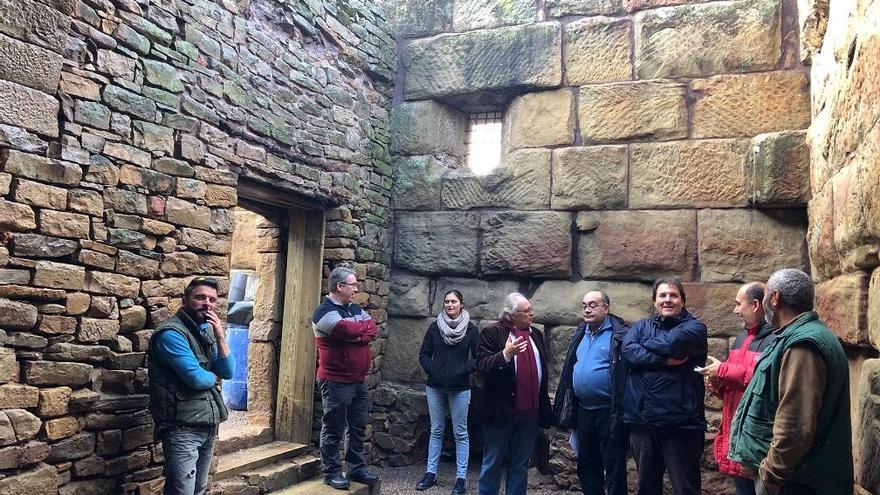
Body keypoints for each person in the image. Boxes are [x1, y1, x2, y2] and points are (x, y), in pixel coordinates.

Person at [728, 269, 853, 495]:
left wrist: (771, 477)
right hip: (795, 478)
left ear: (775, 298)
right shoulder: (792, 337)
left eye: (766, 295)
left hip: (799, 482)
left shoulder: (802, 345)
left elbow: (795, 423)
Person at [622, 276, 708, 495]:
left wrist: (645, 346)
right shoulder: (641, 326)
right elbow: (628, 352)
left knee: (685, 489)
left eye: (673, 295)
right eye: (662, 295)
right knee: (646, 489)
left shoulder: (695, 329)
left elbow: (673, 343)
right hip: (643, 422)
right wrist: (662, 360)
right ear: (654, 301)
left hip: (680, 424)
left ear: (683, 301)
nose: (667, 300)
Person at [148, 277, 233, 495]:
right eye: (200, 297)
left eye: (212, 300)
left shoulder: (205, 332)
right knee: (182, 491)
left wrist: (221, 336)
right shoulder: (171, 335)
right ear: (185, 300)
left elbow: (229, 372)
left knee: (198, 489)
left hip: (207, 423)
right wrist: (213, 377)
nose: (207, 304)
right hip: (182, 427)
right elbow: (196, 378)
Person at [698, 282, 776, 495]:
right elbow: (735, 389)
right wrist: (717, 384)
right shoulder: (741, 339)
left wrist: (722, 370)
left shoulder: (775, 339)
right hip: (737, 433)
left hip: (759, 438)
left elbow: (765, 380)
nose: (734, 310)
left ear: (755, 304)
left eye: (738, 304)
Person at [474, 292, 551, 495]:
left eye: (531, 310)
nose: (531, 314)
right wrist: (505, 355)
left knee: (520, 463)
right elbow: (481, 366)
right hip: (501, 411)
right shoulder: (492, 333)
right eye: (526, 311)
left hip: (530, 411)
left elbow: (543, 369)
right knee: (493, 462)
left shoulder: (536, 334)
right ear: (511, 315)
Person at [553, 291, 629, 495]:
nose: (587, 309)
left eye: (593, 305)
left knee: (614, 467)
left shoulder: (619, 335)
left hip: (609, 412)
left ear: (607, 308)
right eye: (584, 305)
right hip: (584, 410)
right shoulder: (581, 333)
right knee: (587, 465)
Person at [312, 266, 379, 490]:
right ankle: (331, 472)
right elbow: (345, 330)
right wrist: (358, 333)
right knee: (333, 427)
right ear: (339, 286)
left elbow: (372, 329)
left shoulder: (355, 308)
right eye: (353, 284)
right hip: (335, 380)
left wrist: (357, 333)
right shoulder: (323, 311)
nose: (356, 288)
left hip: (358, 380)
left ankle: (356, 468)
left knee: (358, 426)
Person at [415, 290, 479, 494]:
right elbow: (424, 354)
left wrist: (462, 370)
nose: (450, 305)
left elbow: (478, 358)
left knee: (460, 432)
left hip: (460, 388)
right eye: (447, 301)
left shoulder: (470, 330)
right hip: (435, 386)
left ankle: (461, 479)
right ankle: (430, 473)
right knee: (436, 430)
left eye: (454, 301)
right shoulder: (435, 328)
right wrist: (433, 369)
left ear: (462, 304)